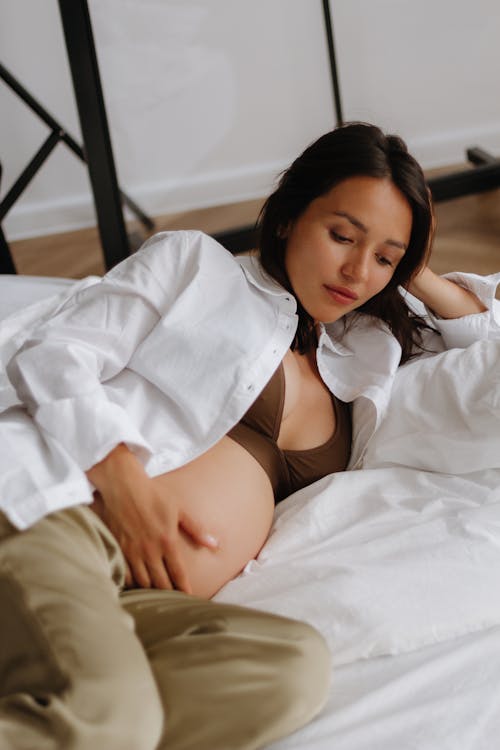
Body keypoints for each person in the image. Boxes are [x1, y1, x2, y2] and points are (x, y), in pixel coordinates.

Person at [0, 122, 497, 750]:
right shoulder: (197, 266)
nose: (356, 269)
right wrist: (123, 481)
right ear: (290, 216)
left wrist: (414, 270)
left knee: (288, 671)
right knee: (111, 715)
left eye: (383, 257)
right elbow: (52, 354)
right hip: (64, 515)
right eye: (342, 234)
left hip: (136, 599)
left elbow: (485, 343)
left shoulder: (362, 359)